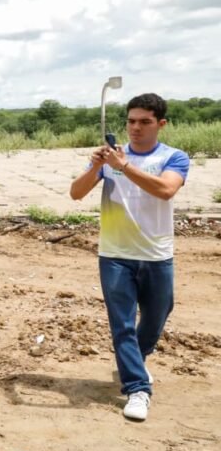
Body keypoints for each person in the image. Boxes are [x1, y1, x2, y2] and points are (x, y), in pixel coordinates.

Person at [69, 93, 188, 422]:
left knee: (158, 314)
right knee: (121, 323)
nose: (136, 128)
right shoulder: (110, 159)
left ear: (161, 124)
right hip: (115, 254)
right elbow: (76, 193)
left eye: (145, 122)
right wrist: (97, 166)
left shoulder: (173, 157)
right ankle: (137, 388)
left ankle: (135, 358)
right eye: (131, 121)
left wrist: (124, 167)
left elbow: (165, 190)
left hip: (156, 254)